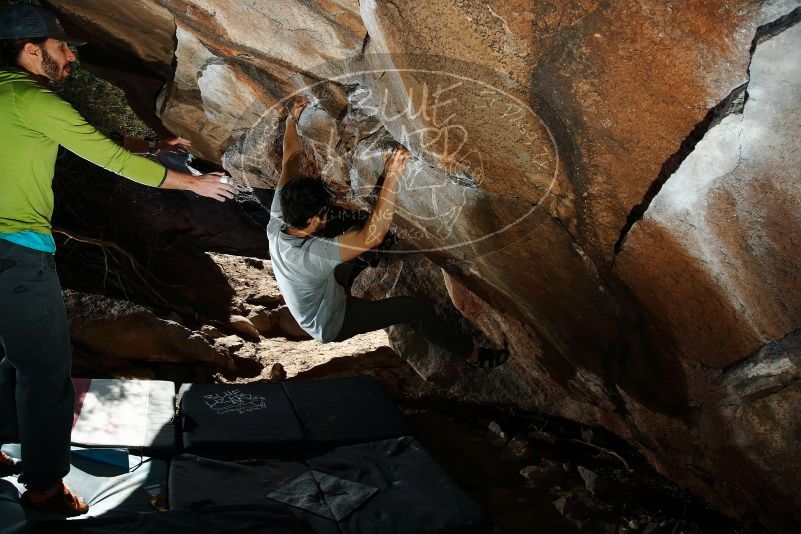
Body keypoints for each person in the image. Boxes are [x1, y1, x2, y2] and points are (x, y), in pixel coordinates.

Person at [0, 4, 235, 515]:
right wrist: (194, 182)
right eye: (63, 48)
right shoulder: (32, 98)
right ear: (32, 48)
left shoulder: (12, 98)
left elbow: (73, 139)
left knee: (7, 357)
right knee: (43, 372)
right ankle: (42, 488)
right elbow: (106, 157)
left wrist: (151, 143)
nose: (71, 59)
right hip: (14, 252)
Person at [267, 98, 510, 368]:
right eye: (323, 213)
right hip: (331, 319)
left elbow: (290, 159)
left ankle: (364, 259)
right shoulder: (312, 256)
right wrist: (392, 175)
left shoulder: (279, 218)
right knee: (412, 309)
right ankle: (475, 356)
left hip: (320, 287)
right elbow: (372, 236)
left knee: (351, 227)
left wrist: (292, 119)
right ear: (312, 219)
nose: (326, 214)